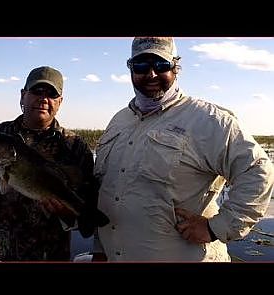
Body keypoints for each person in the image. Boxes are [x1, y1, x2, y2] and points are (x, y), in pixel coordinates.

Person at [92, 37, 274, 262]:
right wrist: (99, 250)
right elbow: (106, 191)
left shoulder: (208, 120)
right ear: (130, 68)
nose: (151, 74)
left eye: (161, 65)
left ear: (176, 67)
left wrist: (217, 228)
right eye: (141, 65)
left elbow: (258, 171)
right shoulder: (119, 120)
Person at [0, 66, 106, 261]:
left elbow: (86, 201)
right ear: (22, 95)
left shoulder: (75, 146)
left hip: (50, 255)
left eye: (51, 93)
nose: (43, 98)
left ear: (60, 102)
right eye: (36, 91)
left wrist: (67, 212)